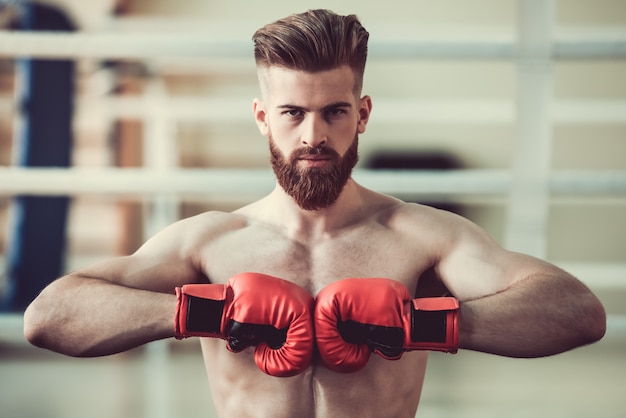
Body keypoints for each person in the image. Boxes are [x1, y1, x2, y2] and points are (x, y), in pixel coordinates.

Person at [23, 9, 606, 418]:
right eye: (292, 113)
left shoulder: (422, 238)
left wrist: (418, 325)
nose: (313, 136)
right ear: (261, 117)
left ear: (364, 112)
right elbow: (49, 318)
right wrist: (209, 315)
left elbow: (576, 311)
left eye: (334, 112)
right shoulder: (209, 244)